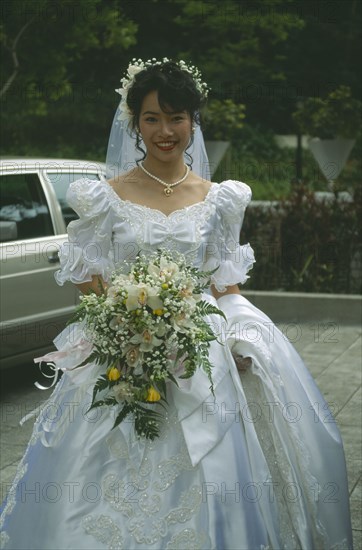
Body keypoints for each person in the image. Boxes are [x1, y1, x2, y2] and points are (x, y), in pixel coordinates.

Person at [0, 58, 353, 550]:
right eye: (151, 118)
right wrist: (120, 330)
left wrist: (242, 336)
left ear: (194, 121)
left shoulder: (220, 199)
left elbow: (225, 285)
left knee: (218, 476)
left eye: (176, 117)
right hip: (119, 356)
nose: (165, 131)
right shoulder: (104, 197)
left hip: (200, 355)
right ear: (135, 124)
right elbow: (88, 278)